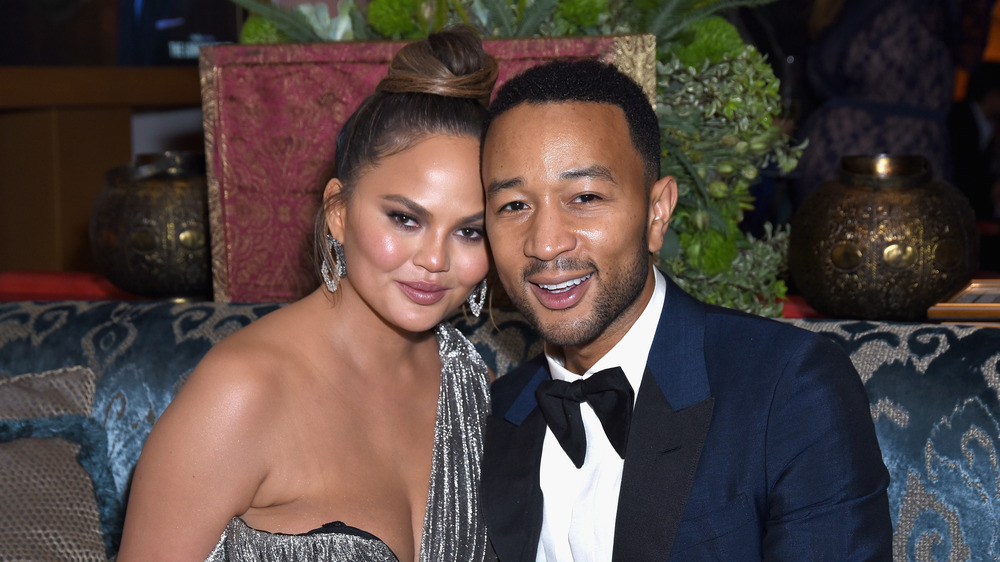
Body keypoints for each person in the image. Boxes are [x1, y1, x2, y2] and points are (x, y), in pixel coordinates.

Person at [479, 59, 892, 560]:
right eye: (514, 206)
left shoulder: (787, 388)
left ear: (657, 213)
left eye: (585, 197)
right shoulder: (497, 413)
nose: (544, 244)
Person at [118, 27, 498, 562]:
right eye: (405, 218)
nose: (435, 260)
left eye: (469, 231)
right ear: (339, 213)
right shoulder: (240, 394)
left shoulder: (471, 384)